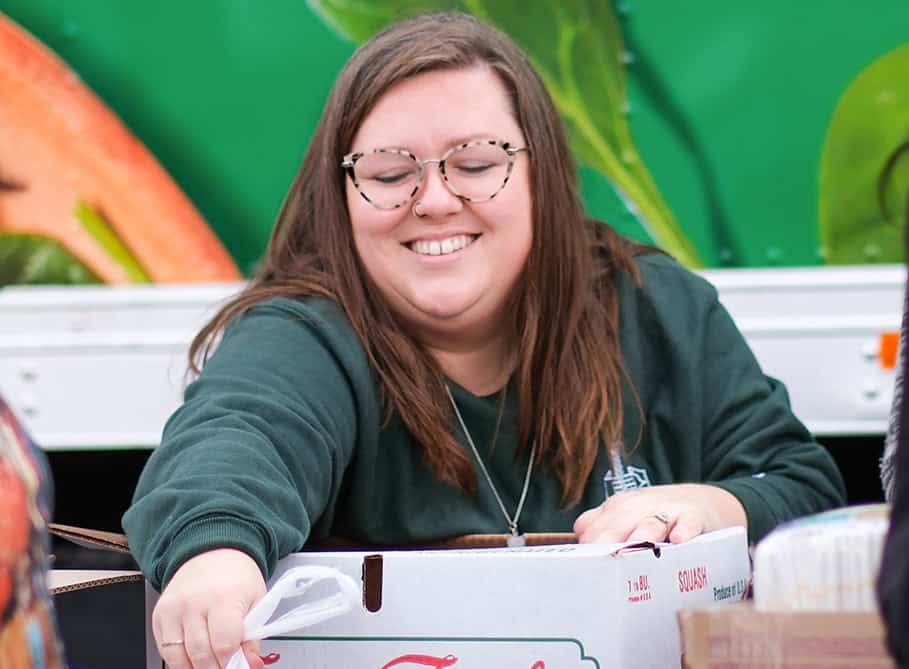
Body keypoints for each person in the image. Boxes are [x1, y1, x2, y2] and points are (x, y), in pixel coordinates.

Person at [123, 12, 846, 669]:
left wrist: (707, 507)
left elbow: (804, 489)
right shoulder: (306, 332)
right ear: (339, 193)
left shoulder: (655, 307)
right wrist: (216, 554)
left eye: (474, 163)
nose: (435, 200)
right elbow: (234, 438)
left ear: (541, 173)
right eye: (389, 172)